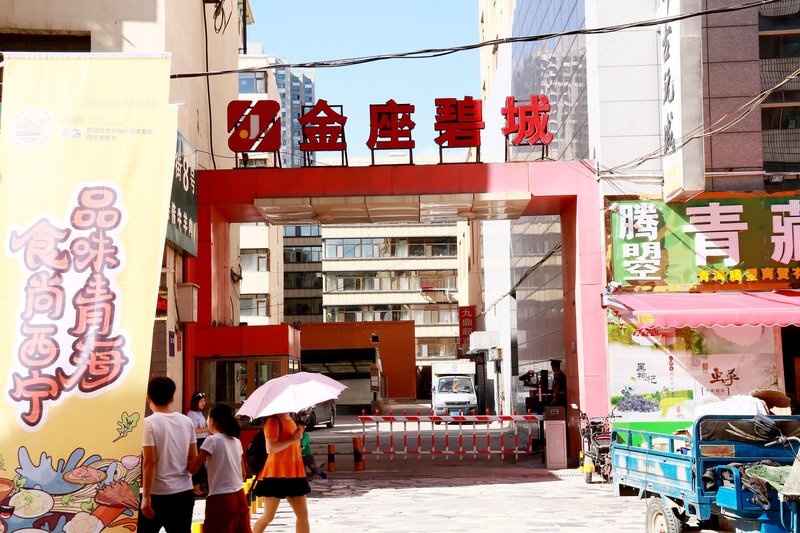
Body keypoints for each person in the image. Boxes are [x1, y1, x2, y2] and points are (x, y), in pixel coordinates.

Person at [138, 376, 197, 533]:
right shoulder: (187, 422)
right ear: (172, 398)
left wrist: (146, 497)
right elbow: (193, 460)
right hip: (183, 493)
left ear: (148, 398)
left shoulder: (148, 423)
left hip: (156, 493)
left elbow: (150, 461)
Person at [189, 404, 251, 533]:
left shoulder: (211, 440)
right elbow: (243, 475)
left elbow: (193, 468)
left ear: (213, 421)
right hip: (240, 496)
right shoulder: (236, 441)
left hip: (220, 498)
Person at [252, 412, 310, 533]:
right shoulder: (273, 421)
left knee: (303, 516)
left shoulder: (290, 420)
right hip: (276, 473)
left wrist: (297, 440)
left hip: (294, 472)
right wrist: (293, 439)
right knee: (268, 516)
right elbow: (270, 448)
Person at [187, 391, 209, 496]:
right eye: (201, 401)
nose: (203, 403)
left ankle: (199, 487)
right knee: (198, 465)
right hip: (196, 441)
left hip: (203, 440)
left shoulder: (199, 413)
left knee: (202, 465)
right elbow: (193, 430)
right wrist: (207, 429)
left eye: (204, 400)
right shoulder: (192, 414)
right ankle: (195, 488)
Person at [298, 412, 326, 480]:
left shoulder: (305, 435)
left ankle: (321, 471)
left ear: (304, 428)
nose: (298, 430)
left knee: (314, 469)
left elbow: (303, 444)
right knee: (302, 469)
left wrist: (300, 448)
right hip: (300, 456)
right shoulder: (296, 436)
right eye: (297, 428)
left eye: (300, 429)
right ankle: (305, 478)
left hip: (308, 456)